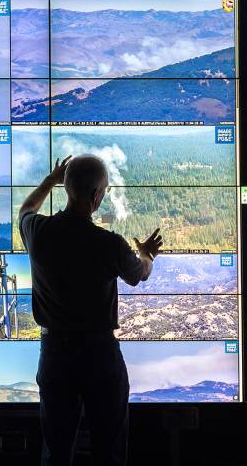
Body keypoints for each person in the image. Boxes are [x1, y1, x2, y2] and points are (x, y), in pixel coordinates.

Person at [18, 154, 163, 466]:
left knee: (56, 452)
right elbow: (140, 274)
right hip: (100, 354)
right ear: (97, 195)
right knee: (109, 452)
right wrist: (146, 254)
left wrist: (49, 181)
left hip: (55, 352)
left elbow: (25, 210)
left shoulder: (38, 231)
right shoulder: (110, 244)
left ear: (66, 187)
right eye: (104, 190)